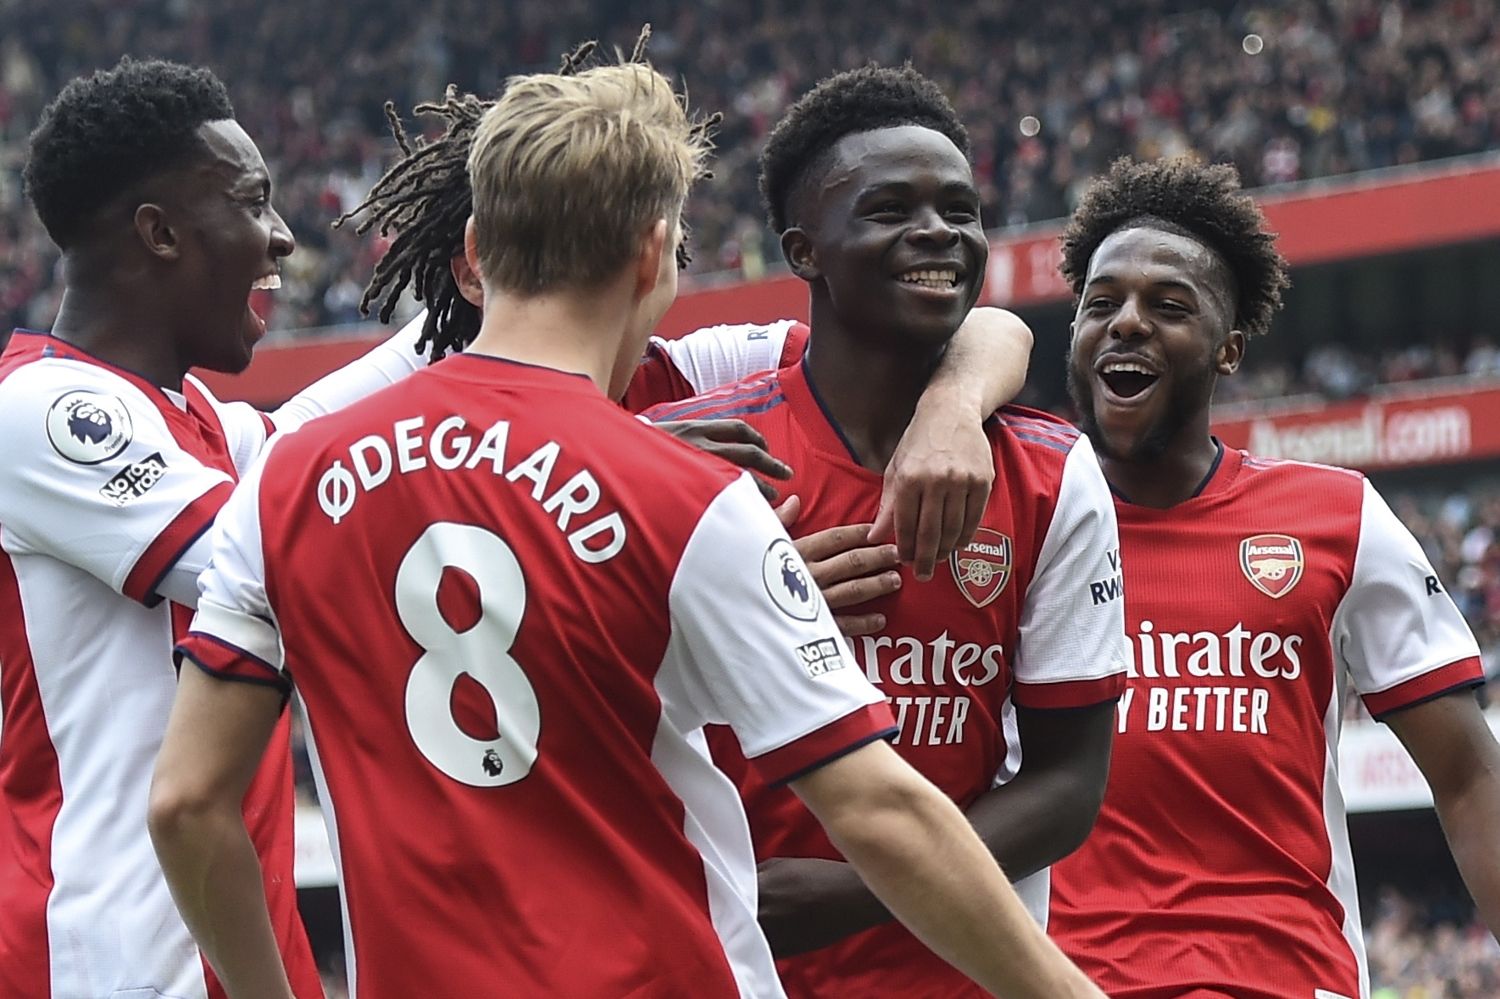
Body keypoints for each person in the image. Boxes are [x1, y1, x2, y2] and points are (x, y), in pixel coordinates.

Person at [148, 61, 1105, 999]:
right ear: (655, 254)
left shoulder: (286, 477)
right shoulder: (691, 494)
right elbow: (879, 809)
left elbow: (187, 804)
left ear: (475, 248)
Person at [642, 65, 1128, 998]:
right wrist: (749, 614)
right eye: (890, 209)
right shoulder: (694, 448)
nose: (939, 230)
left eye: (960, 209)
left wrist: (859, 891)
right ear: (804, 250)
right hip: (723, 968)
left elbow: (1069, 786)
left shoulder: (1051, 471)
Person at [0, 57, 433, 998]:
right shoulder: (41, 411)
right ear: (159, 233)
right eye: (252, 200)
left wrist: (479, 288)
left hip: (230, 952)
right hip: (112, 967)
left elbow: (329, 425)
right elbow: (272, 558)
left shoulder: (189, 417)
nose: (282, 236)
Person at [341, 33, 1038, 583]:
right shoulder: (381, 401)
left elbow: (985, 329)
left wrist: (950, 407)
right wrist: (649, 499)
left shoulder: (691, 372)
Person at [1046, 156, 1500, 999]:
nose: (1127, 322)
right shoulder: (1020, 523)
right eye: (1100, 304)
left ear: (1229, 349)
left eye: (1169, 305)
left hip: (1287, 982)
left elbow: (1469, 774)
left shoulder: (1338, 516)